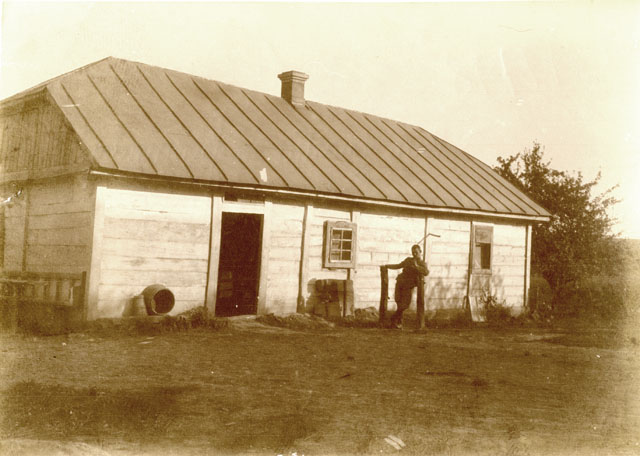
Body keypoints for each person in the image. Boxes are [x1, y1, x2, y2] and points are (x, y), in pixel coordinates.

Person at [381, 244, 429, 328]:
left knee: (405, 305)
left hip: (408, 286)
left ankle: (393, 318)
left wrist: (417, 266)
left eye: (416, 252)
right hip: (400, 283)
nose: (414, 254)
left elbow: (426, 272)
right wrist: (387, 266)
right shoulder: (408, 260)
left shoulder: (422, 263)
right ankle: (397, 324)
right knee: (399, 302)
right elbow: (398, 266)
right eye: (413, 252)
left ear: (420, 252)